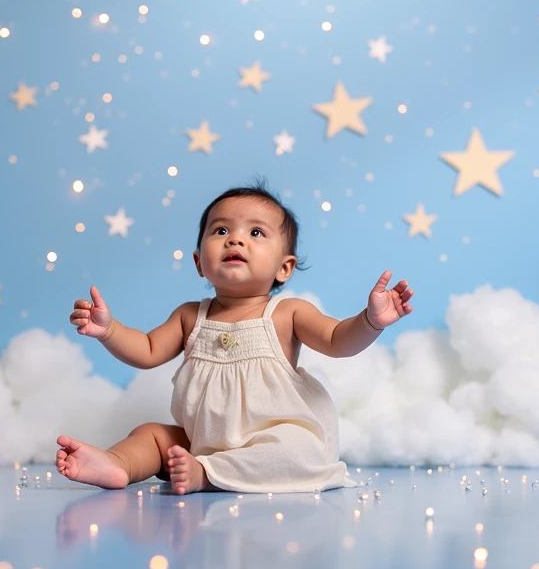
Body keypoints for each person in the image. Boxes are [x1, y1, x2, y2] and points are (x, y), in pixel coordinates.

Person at [55, 179, 414, 494]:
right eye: (221, 231)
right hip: (201, 441)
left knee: (295, 450)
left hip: (268, 439)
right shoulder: (189, 315)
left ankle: (207, 476)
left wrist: (370, 321)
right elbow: (147, 350)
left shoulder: (288, 313)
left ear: (284, 267)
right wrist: (110, 330)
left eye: (256, 233)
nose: (236, 239)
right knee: (151, 434)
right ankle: (116, 464)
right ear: (199, 262)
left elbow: (338, 340)